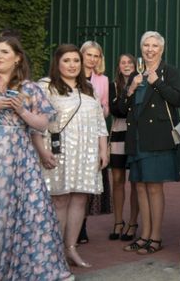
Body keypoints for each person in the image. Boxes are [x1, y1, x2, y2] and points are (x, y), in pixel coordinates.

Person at [0, 36, 72, 280]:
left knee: (23, 212)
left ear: (17, 57)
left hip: (19, 160)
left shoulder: (30, 88)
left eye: (3, 52)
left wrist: (21, 110)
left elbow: (42, 123)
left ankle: (18, 268)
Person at [33, 44, 109, 268]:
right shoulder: (45, 87)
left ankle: (71, 248)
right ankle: (54, 252)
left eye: (76, 60)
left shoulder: (88, 89)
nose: (72, 65)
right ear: (57, 63)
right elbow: (35, 123)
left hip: (86, 152)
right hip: (57, 152)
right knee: (59, 200)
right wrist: (41, 150)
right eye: (66, 60)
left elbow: (99, 123)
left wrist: (103, 150)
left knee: (80, 199)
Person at [118, 31, 180, 255]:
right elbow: (122, 108)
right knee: (140, 187)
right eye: (146, 45)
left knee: (154, 187)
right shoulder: (135, 75)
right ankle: (144, 235)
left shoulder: (168, 72)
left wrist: (157, 83)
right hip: (137, 138)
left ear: (161, 49)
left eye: (154, 46)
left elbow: (178, 99)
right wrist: (131, 88)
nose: (150, 49)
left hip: (158, 138)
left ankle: (155, 237)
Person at [79, 40, 112, 244]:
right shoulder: (70, 73)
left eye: (96, 56)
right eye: (89, 54)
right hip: (72, 135)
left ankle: (81, 226)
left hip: (92, 134)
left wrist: (102, 109)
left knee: (86, 182)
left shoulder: (102, 80)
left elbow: (106, 106)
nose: (92, 59)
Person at [108, 53, 139, 241]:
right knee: (118, 178)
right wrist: (128, 95)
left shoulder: (141, 82)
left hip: (135, 133)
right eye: (123, 62)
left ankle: (133, 222)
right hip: (118, 132)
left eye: (130, 62)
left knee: (136, 180)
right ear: (118, 66)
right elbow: (117, 110)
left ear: (135, 65)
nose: (126, 65)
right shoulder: (112, 86)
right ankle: (118, 221)